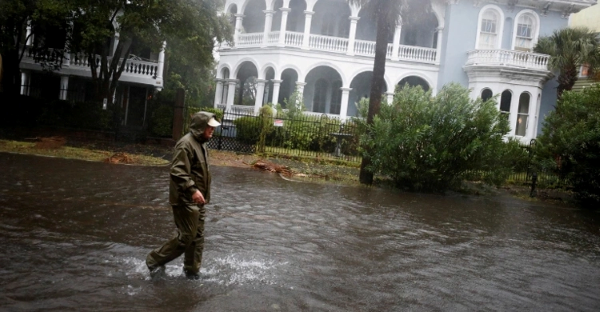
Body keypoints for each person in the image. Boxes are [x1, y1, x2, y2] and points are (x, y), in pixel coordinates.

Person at [146, 111, 221, 279]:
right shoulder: (185, 144)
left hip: (198, 201)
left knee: (197, 237)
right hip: (185, 199)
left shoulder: (201, 143)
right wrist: (193, 190)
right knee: (186, 237)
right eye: (209, 127)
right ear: (201, 127)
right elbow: (177, 171)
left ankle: (192, 271)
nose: (212, 131)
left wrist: (200, 194)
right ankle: (154, 260)